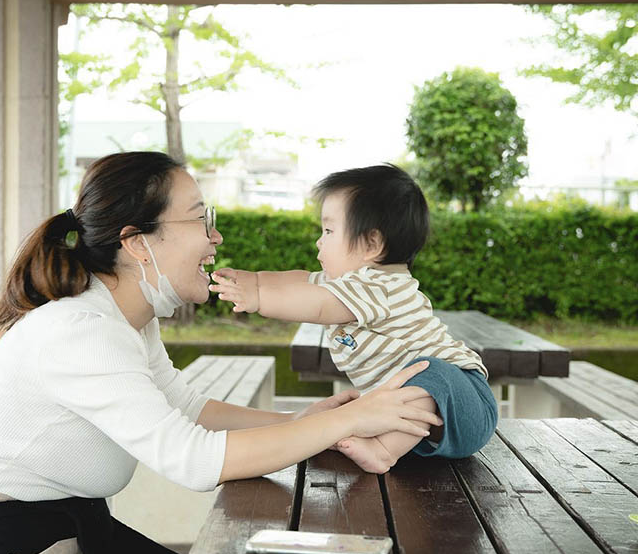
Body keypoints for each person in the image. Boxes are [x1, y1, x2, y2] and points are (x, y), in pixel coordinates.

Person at [0, 152, 443, 554]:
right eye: (201, 218)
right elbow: (192, 459)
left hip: (61, 538)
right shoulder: (80, 331)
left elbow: (186, 408)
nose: (215, 237)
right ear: (137, 243)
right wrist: (343, 424)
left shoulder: (125, 318)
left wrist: (304, 418)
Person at [210, 163, 498, 475]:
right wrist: (253, 279)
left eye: (329, 231)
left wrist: (258, 299)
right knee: (387, 398)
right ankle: (383, 437)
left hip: (465, 404)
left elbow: (318, 306)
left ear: (372, 245)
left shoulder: (380, 286)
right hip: (425, 428)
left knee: (432, 372)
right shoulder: (350, 284)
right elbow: (301, 281)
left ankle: (383, 450)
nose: (320, 241)